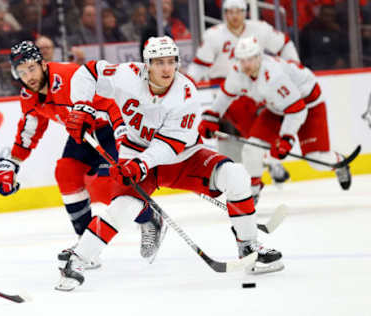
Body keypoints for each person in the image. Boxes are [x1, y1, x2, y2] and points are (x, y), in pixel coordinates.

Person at [56, 36, 284, 291]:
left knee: (236, 175)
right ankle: (77, 261)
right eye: (159, 62)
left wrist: (140, 164)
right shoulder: (127, 75)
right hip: (137, 154)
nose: (167, 69)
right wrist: (81, 107)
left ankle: (249, 246)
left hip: (183, 157)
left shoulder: (185, 93)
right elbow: (87, 73)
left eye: (171, 62)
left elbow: (170, 145)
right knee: (123, 209)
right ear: (147, 64)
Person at [0, 40, 160, 268]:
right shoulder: (28, 95)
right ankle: (86, 246)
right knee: (66, 173)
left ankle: (149, 218)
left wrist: (124, 138)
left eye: (31, 68)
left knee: (110, 186)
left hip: (112, 127)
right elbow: (29, 132)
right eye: (21, 72)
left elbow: (112, 103)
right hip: (83, 132)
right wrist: (12, 163)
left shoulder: (69, 77)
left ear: (43, 64)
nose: (28, 76)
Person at [198, 36, 352, 197]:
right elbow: (225, 96)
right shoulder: (238, 72)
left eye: (250, 59)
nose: (246, 65)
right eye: (242, 60)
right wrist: (211, 117)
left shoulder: (274, 76)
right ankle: (252, 193)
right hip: (276, 107)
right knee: (252, 148)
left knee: (316, 160)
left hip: (308, 105)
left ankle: (339, 163)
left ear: (259, 57)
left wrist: (286, 139)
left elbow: (297, 110)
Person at [187, 0, 300, 199]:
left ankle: (269, 162)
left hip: (258, 84)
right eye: (229, 12)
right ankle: (271, 164)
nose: (234, 16)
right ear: (224, 14)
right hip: (229, 88)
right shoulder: (214, 35)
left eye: (238, 11)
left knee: (268, 121)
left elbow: (285, 43)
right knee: (253, 128)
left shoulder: (260, 29)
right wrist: (186, 86)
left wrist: (292, 67)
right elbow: (200, 65)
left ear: (245, 12)